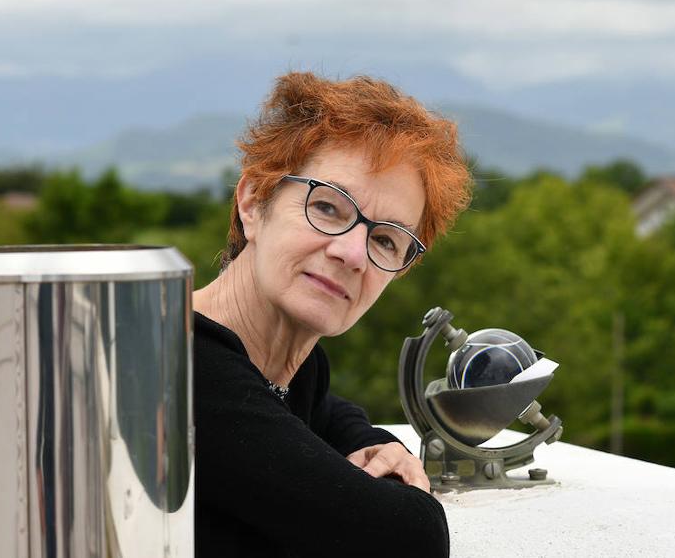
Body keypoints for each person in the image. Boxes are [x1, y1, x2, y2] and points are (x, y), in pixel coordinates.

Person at [193, 72, 472, 557]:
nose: (352, 253)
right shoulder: (179, 366)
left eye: (386, 239)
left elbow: (330, 415)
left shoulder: (292, 369)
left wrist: (385, 449)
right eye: (328, 207)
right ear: (254, 202)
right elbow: (408, 540)